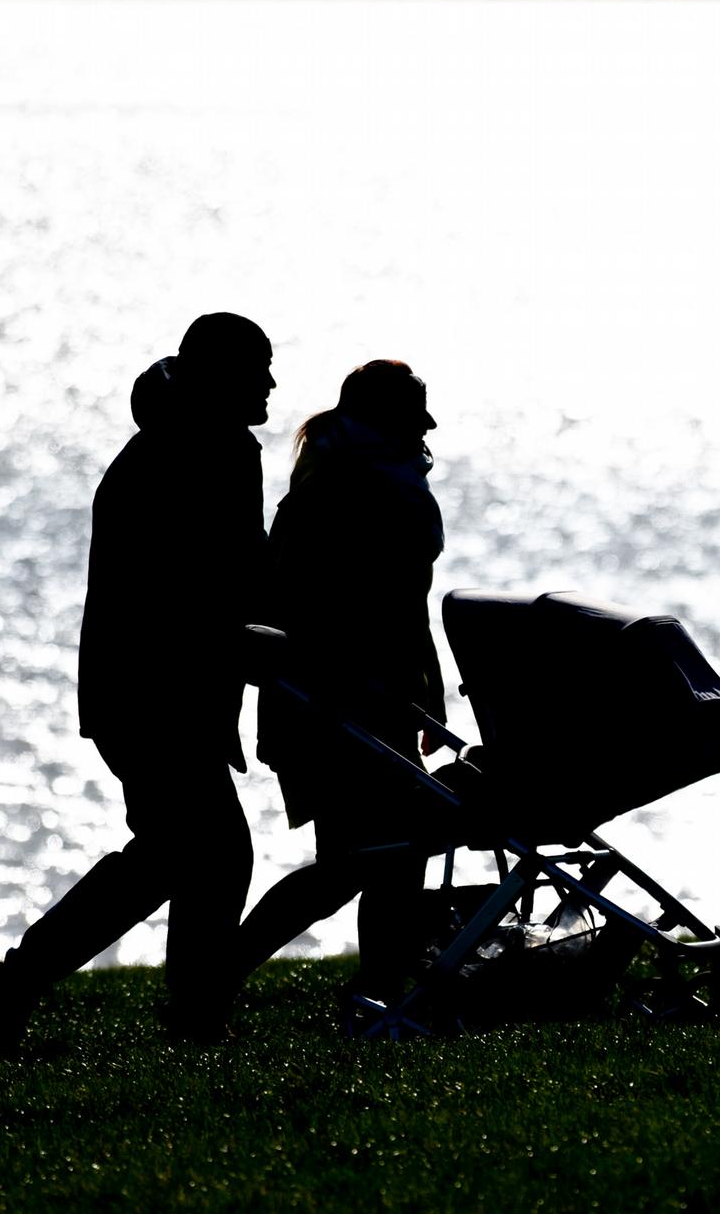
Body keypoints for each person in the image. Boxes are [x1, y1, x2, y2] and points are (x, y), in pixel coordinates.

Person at [0, 312, 275, 1050]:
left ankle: (19, 984)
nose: (268, 382)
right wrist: (259, 638)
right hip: (153, 691)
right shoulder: (182, 455)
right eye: (256, 367)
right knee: (210, 850)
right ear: (218, 376)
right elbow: (197, 584)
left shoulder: (209, 447)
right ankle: (185, 1009)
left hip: (161, 688)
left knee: (175, 854)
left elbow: (241, 572)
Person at [236, 359, 445, 1001]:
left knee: (387, 854)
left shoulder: (346, 478)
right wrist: (395, 689)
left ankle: (385, 985)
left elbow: (404, 605)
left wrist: (424, 693)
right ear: (386, 420)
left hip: (358, 699)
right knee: (367, 859)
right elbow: (341, 608)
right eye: (414, 412)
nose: (428, 426)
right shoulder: (351, 490)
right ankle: (221, 969)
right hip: (337, 702)